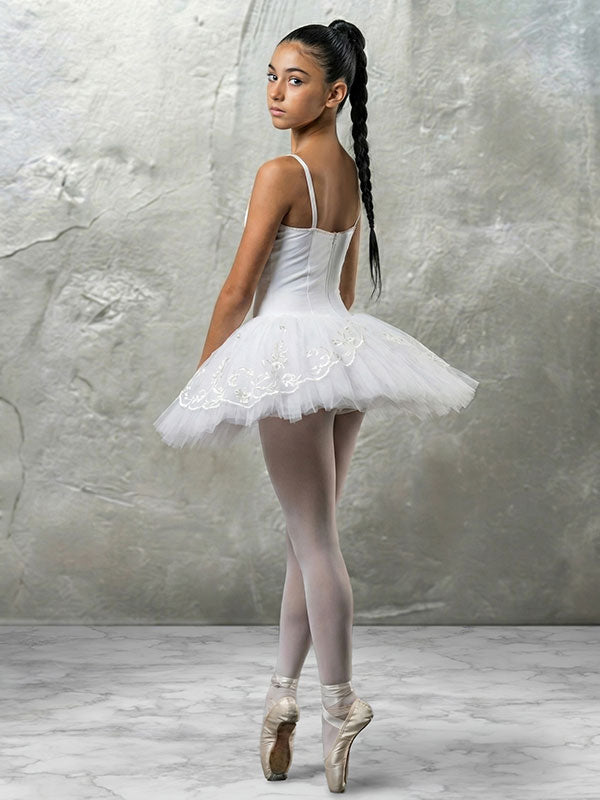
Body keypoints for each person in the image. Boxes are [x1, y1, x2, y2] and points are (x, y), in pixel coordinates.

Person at [153, 19, 479, 793]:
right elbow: (340, 293)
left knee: (314, 540)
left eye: (293, 79)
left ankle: (339, 704)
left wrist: (208, 378)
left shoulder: (281, 172)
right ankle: (282, 698)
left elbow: (238, 291)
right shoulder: (350, 176)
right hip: (338, 354)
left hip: (286, 353)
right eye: (270, 75)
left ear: (335, 93)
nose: (274, 91)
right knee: (310, 539)